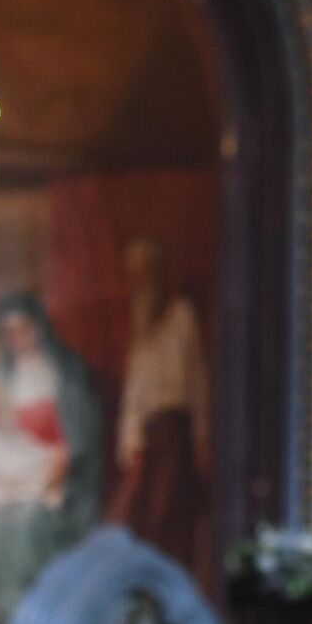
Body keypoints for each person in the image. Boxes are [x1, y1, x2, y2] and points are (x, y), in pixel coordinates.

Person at [0, 292, 102, 624]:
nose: (17, 338)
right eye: (8, 331)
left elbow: (78, 439)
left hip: (45, 465)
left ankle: (19, 611)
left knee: (27, 518)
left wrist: (51, 467)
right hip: (1, 465)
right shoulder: (0, 374)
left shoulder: (66, 373)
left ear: (39, 327)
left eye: (22, 328)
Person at [108, 237, 211, 580]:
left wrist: (200, 436)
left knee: (169, 512)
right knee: (144, 516)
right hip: (150, 432)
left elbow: (195, 379)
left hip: (175, 427)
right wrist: (132, 442)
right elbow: (135, 392)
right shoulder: (140, 322)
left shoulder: (180, 314)